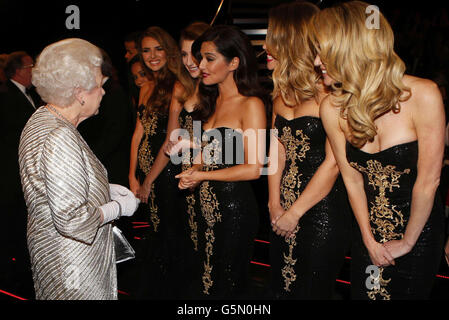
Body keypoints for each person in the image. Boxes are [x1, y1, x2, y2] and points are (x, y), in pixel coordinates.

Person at [312, 1, 446, 299]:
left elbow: (429, 181)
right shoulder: (331, 108)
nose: (317, 61)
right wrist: (369, 239)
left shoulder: (423, 95)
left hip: (419, 232)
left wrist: (408, 241)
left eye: (323, 50)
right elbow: (351, 179)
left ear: (351, 48)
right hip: (367, 232)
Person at [18, 38, 140, 300]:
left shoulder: (43, 118)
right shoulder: (60, 136)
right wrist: (116, 208)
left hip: (55, 255)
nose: (103, 92)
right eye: (98, 86)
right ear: (79, 93)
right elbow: (73, 222)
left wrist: (102, 188)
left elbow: (51, 185)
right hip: (73, 266)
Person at [264, 1, 351, 300]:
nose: (265, 44)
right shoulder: (280, 91)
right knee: (281, 288)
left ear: (291, 40)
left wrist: (295, 212)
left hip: (323, 210)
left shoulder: (331, 92)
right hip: (283, 209)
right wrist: (274, 204)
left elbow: (334, 163)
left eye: (272, 35)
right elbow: (277, 151)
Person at [176, 25, 266, 299]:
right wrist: (194, 170)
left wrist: (204, 176)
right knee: (206, 281)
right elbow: (211, 157)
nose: (200, 65)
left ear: (234, 62)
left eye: (209, 58)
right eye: (200, 58)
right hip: (206, 210)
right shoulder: (213, 102)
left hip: (234, 211)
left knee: (225, 284)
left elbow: (254, 167)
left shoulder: (251, 105)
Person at [128, 26, 194, 299]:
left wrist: (148, 181)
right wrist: (132, 175)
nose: (152, 55)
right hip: (146, 174)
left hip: (166, 173)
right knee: (158, 232)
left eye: (158, 49)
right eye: (146, 50)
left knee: (169, 236)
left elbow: (171, 142)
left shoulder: (178, 86)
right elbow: (137, 134)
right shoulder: (146, 87)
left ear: (169, 51)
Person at [163, 21, 210, 297]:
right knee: (188, 244)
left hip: (211, 175)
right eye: (183, 54)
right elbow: (174, 137)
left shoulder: (216, 87)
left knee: (208, 248)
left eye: (196, 52)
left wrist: (189, 144)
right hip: (184, 175)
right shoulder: (182, 87)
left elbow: (233, 144)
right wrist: (176, 145)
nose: (190, 60)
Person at [0, 50, 41, 298]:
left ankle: (23, 272)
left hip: (22, 174)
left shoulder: (30, 95)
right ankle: (14, 277)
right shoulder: (6, 97)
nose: (34, 70)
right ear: (18, 71)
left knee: (20, 224)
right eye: (30, 66)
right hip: (11, 175)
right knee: (12, 225)